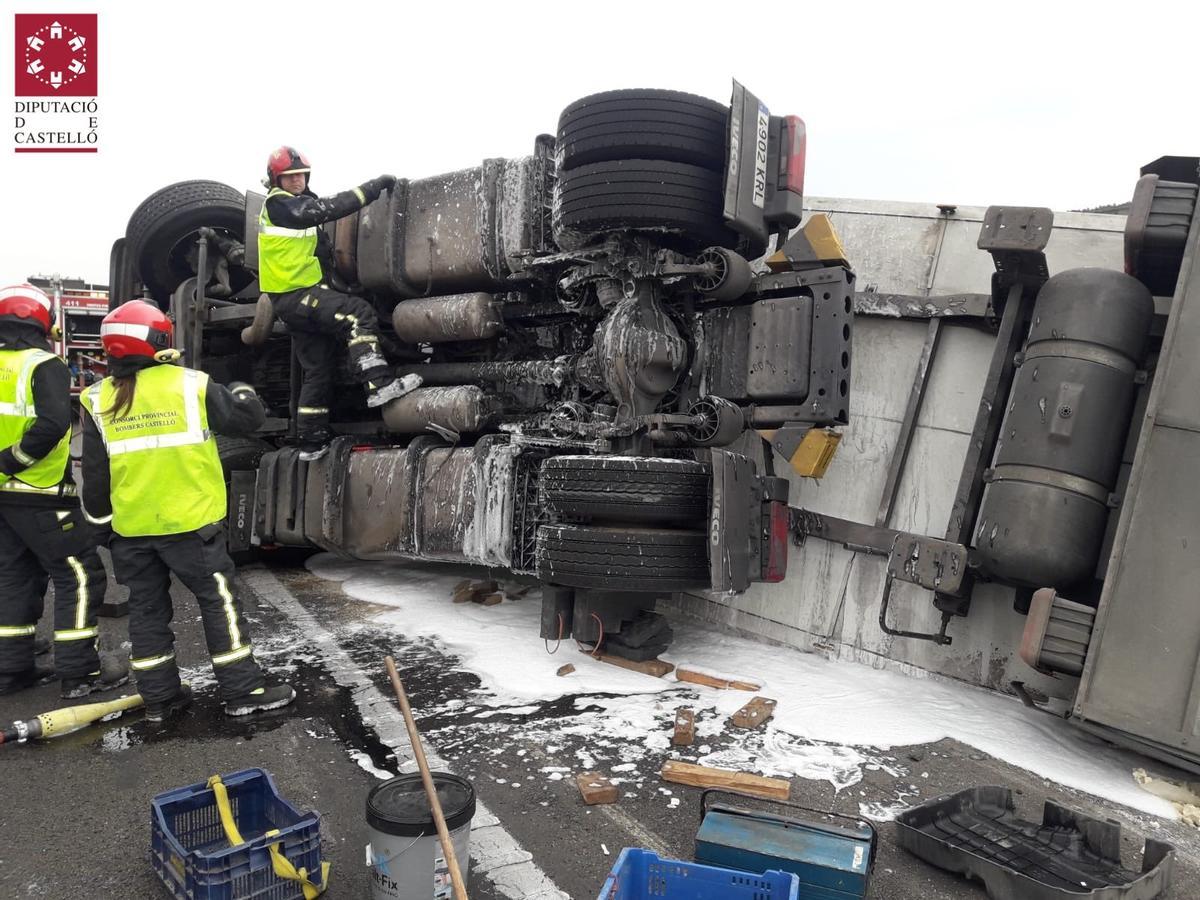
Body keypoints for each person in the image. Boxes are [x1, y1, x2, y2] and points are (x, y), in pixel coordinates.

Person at [80, 300, 295, 722]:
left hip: (131, 533)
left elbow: (96, 479)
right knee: (219, 603)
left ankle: (161, 700)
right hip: (190, 528)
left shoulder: (97, 398)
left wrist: (105, 530)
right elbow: (248, 418)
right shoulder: (190, 385)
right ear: (160, 341)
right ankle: (243, 690)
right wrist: (243, 389)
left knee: (146, 613)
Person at [258, 145, 421, 460]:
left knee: (318, 370)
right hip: (297, 295)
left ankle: (311, 442)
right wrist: (372, 189)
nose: (296, 181)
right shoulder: (279, 205)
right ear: (276, 180)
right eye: (289, 177)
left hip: (291, 301)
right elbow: (325, 210)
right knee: (357, 314)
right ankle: (379, 384)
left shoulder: (297, 204)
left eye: (300, 175)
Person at [0, 283, 119, 699]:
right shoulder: (43, 365)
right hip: (41, 493)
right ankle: (80, 672)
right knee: (80, 576)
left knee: (13, 576)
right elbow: (53, 425)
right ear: (40, 321)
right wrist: (11, 459)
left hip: (4, 498)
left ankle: (11, 669)